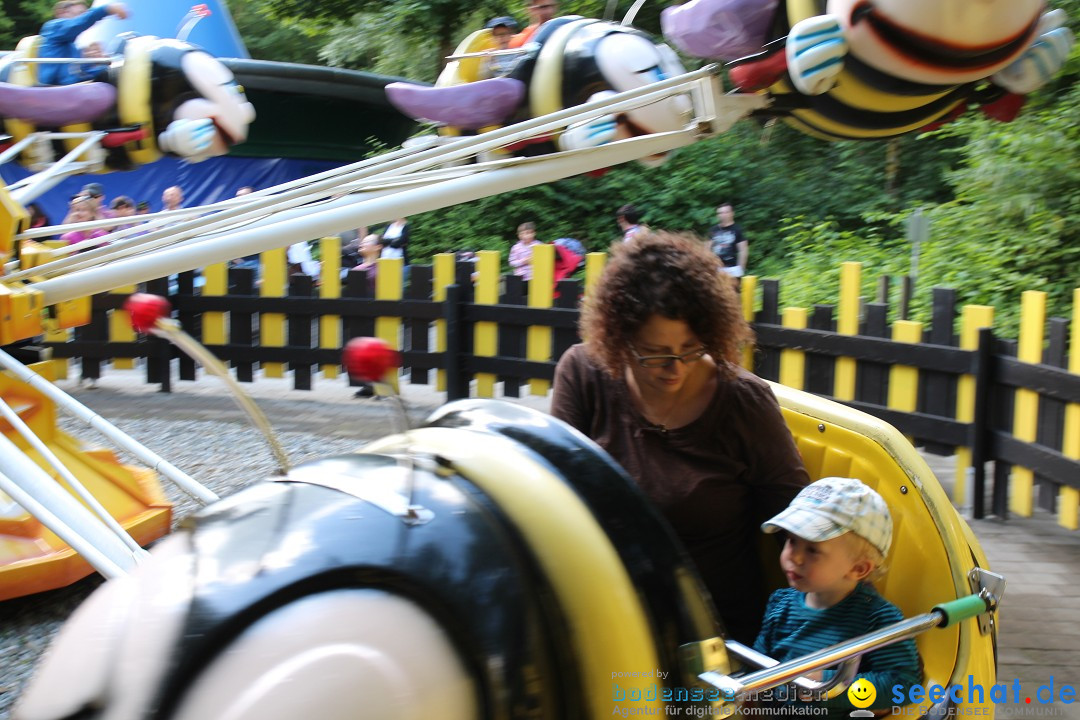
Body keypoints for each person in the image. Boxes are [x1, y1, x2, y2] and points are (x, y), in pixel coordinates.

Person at [550, 231, 809, 644]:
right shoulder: (584, 374)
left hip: (708, 633)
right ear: (618, 338)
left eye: (690, 348)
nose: (675, 368)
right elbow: (553, 497)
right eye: (654, 352)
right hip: (605, 611)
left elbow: (802, 523)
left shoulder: (743, 402)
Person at [753, 477, 921, 714]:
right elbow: (758, 664)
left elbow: (902, 686)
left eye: (812, 549)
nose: (795, 557)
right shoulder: (780, 603)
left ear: (858, 569)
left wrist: (828, 685)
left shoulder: (878, 618)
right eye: (791, 541)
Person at [38, 1, 128, 86]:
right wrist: (107, 9)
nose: (83, 16)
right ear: (62, 13)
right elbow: (78, 23)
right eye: (80, 13)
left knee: (121, 72)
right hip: (55, 85)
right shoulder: (53, 27)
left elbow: (83, 71)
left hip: (70, 83)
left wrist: (101, 63)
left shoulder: (71, 46)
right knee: (119, 75)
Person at [708, 202, 748, 278]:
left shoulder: (737, 229)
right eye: (720, 213)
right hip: (716, 268)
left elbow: (743, 250)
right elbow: (706, 249)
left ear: (732, 213)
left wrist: (741, 268)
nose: (723, 215)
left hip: (733, 269)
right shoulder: (713, 230)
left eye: (726, 212)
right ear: (717, 215)